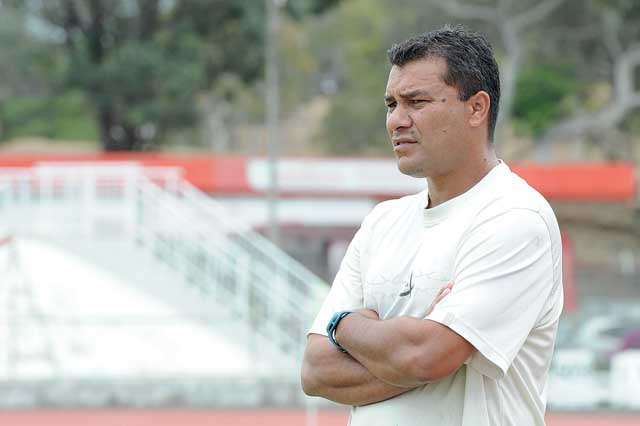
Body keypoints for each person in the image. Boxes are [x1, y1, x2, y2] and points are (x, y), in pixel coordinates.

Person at [301, 26, 563, 426]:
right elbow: (316, 371)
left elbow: (425, 357)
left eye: (416, 102)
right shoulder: (382, 222)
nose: (396, 121)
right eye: (391, 105)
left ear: (476, 109)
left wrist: (345, 327)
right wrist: (406, 345)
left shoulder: (515, 218)